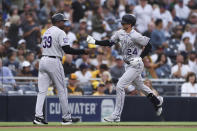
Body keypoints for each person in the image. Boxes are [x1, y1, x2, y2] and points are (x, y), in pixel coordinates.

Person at [87, 14, 163, 122]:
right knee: (140, 86)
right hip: (127, 64)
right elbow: (110, 43)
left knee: (120, 86)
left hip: (136, 64)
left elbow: (149, 46)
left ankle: (116, 115)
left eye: (124, 22)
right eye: (122, 22)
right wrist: (95, 42)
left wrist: (140, 58)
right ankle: (157, 101)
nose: (122, 23)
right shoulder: (120, 33)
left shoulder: (136, 35)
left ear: (130, 24)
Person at [33, 13, 91, 125]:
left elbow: (41, 48)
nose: (64, 23)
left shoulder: (46, 32)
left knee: (42, 91)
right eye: (63, 21)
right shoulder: (60, 32)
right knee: (62, 90)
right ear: (58, 22)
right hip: (54, 60)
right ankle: (66, 118)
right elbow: (67, 50)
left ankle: (38, 117)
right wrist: (83, 51)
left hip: (43, 60)